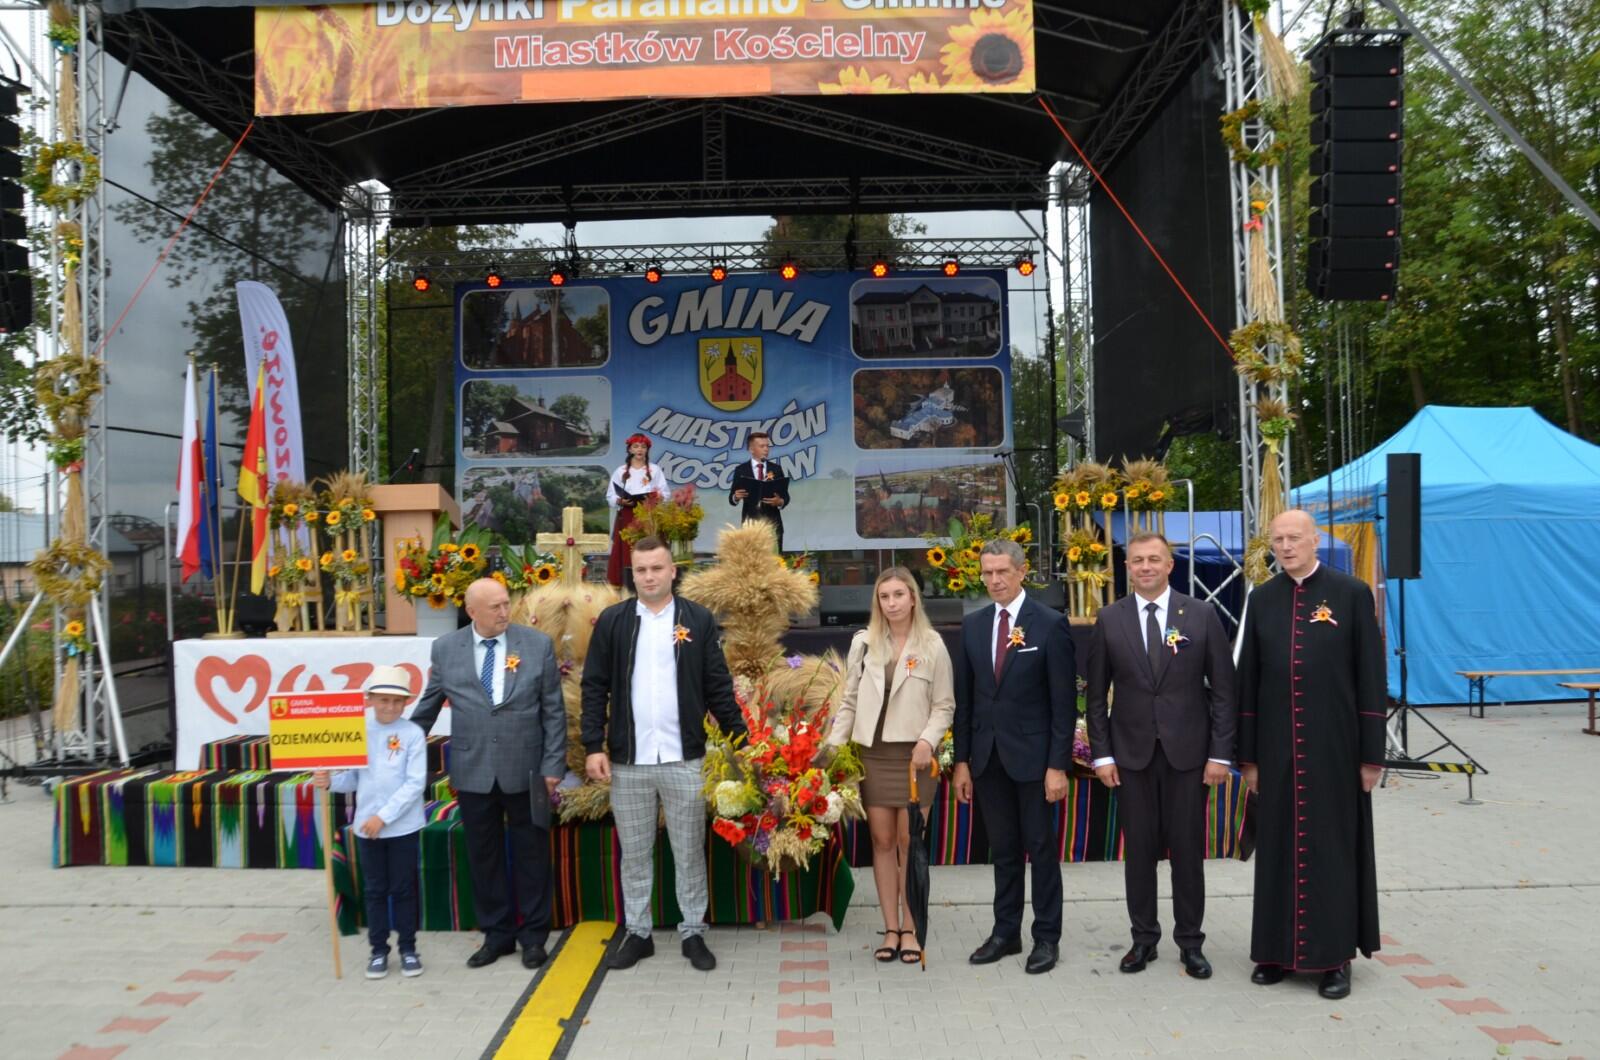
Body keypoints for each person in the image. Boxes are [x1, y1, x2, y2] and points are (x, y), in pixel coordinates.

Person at [580, 536, 747, 971]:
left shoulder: (697, 619)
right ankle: (638, 933)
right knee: (635, 853)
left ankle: (693, 932)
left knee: (688, 851)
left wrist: (743, 742)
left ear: (673, 571)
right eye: (641, 570)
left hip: (684, 759)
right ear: (632, 574)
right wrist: (592, 746)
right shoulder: (614, 622)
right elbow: (594, 686)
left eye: (657, 568)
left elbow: (717, 685)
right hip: (629, 761)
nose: (649, 576)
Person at [1237, 509, 1385, 999]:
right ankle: (1273, 952)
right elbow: (1248, 681)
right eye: (1278, 539)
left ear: (1315, 540)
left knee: (1332, 852)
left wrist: (1371, 755)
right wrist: (1249, 757)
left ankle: (1334, 960)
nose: (1285, 546)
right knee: (1276, 849)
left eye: (1294, 537)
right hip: (1277, 750)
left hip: (1335, 749)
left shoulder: (1351, 593)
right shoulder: (1262, 599)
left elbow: (1370, 674)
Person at [1085, 532, 1237, 980]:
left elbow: (1224, 692)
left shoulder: (1201, 614)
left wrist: (1220, 754)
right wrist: (1102, 756)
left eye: (1154, 559)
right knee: (1139, 853)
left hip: (1188, 756)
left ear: (1170, 565)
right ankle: (1143, 940)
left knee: (1187, 853)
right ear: (1127, 567)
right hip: (1131, 757)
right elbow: (1095, 697)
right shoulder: (1110, 619)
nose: (1146, 567)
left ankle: (1191, 942)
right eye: (1137, 560)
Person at [411, 577, 567, 971]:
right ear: (472, 612)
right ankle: (497, 935)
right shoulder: (446, 648)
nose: (504, 611)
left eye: (505, 603)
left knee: (532, 856)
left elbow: (554, 711)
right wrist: (393, 746)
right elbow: (428, 706)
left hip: (528, 770)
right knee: (483, 857)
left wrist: (553, 765)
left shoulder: (536, 645)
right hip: (473, 770)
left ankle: (534, 938)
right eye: (495, 606)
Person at [952, 539, 1076, 974]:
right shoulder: (973, 625)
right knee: (1003, 850)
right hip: (988, 759)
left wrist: (1057, 766)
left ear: (1022, 572)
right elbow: (966, 701)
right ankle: (1006, 932)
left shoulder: (1049, 624)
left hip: (1035, 761)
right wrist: (962, 761)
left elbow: (1064, 705)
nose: (995, 580)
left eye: (1002, 571)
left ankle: (1046, 937)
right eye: (987, 573)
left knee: (1040, 850)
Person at [823, 567, 955, 965]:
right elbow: (849, 701)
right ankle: (891, 928)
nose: (892, 603)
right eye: (885, 597)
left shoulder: (933, 645)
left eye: (899, 595)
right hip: (874, 755)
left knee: (909, 843)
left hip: (915, 758)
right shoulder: (863, 643)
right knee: (881, 842)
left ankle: (911, 929)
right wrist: (832, 746)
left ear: (913, 598)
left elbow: (944, 705)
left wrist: (927, 741)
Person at [312, 664, 428, 980]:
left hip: (403, 827)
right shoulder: (358, 730)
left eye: (397, 701)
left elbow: (415, 784)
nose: (390, 706)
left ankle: (408, 949)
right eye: (383, 699)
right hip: (367, 828)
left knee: (403, 889)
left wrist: (383, 817)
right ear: (370, 699)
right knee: (374, 890)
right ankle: (378, 951)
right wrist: (328, 781)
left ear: (406, 703)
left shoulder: (412, 734)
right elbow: (353, 777)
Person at [605, 433, 668, 587]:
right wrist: (619, 500)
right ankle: (627, 583)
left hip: (649, 516)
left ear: (647, 450)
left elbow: (665, 493)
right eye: (636, 446)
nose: (640, 449)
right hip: (627, 516)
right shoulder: (620, 471)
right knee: (627, 549)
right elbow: (610, 496)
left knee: (650, 547)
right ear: (630, 449)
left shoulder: (655, 470)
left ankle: (652, 581)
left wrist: (657, 497)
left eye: (643, 447)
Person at [728, 431, 789, 550]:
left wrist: (780, 501)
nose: (766, 449)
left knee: (774, 558)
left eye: (767, 446)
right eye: (762, 446)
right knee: (751, 559)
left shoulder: (776, 469)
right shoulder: (741, 470)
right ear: (751, 449)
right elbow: (731, 498)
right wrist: (736, 497)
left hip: (773, 523)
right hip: (750, 524)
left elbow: (785, 496)